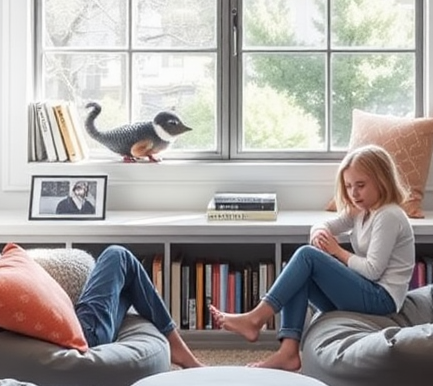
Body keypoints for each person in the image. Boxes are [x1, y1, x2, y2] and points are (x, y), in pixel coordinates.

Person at [210, 143, 415, 370]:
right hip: (365, 292)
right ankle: (288, 352)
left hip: (382, 300)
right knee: (301, 274)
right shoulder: (363, 210)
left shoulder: (389, 215)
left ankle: (256, 318)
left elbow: (373, 270)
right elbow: (328, 223)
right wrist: (319, 231)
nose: (353, 193)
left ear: (382, 180)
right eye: (348, 186)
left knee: (307, 256)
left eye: (361, 185)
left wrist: (336, 251)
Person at [76, 244, 204, 368]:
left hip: (84, 329)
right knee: (118, 254)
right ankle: (177, 347)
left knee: (129, 284)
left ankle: (177, 348)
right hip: (85, 332)